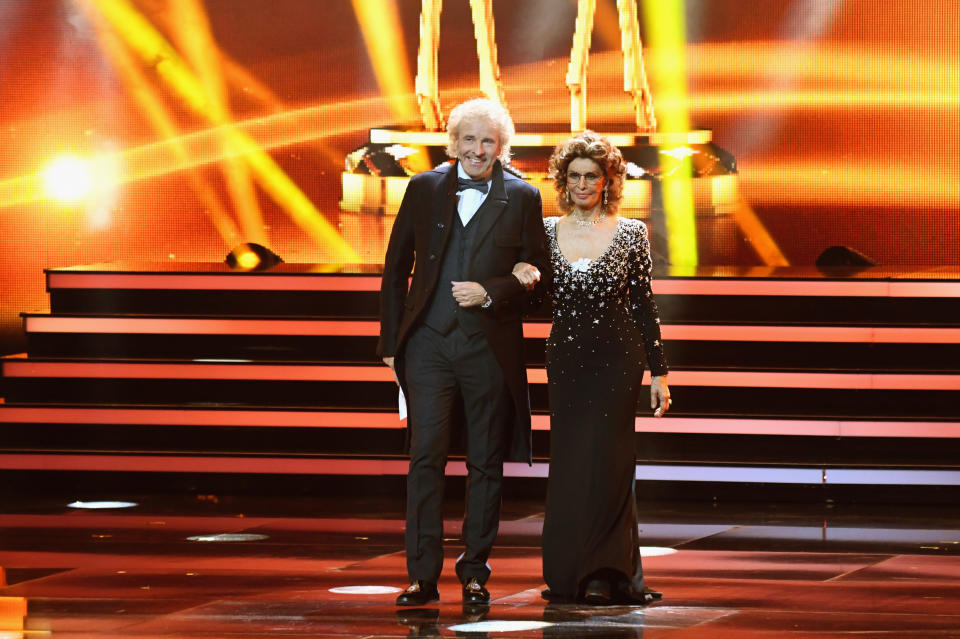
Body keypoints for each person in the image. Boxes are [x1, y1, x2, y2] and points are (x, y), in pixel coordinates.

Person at [377, 98, 551, 606]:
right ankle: (421, 575)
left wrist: (494, 289)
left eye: (488, 141)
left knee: (485, 461)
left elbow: (537, 277)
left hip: (488, 348)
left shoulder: (523, 197)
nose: (477, 150)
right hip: (427, 344)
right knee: (424, 457)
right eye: (469, 140)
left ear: (502, 147)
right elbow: (395, 270)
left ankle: (475, 570)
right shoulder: (424, 187)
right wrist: (392, 345)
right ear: (453, 143)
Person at [529, 130, 671, 605]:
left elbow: (644, 307)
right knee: (571, 463)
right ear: (563, 181)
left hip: (617, 359)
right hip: (566, 359)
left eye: (593, 176)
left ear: (609, 181)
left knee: (610, 464)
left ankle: (607, 571)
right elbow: (535, 295)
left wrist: (660, 372)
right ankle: (570, 570)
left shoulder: (631, 233)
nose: (583, 184)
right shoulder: (545, 231)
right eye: (575, 176)